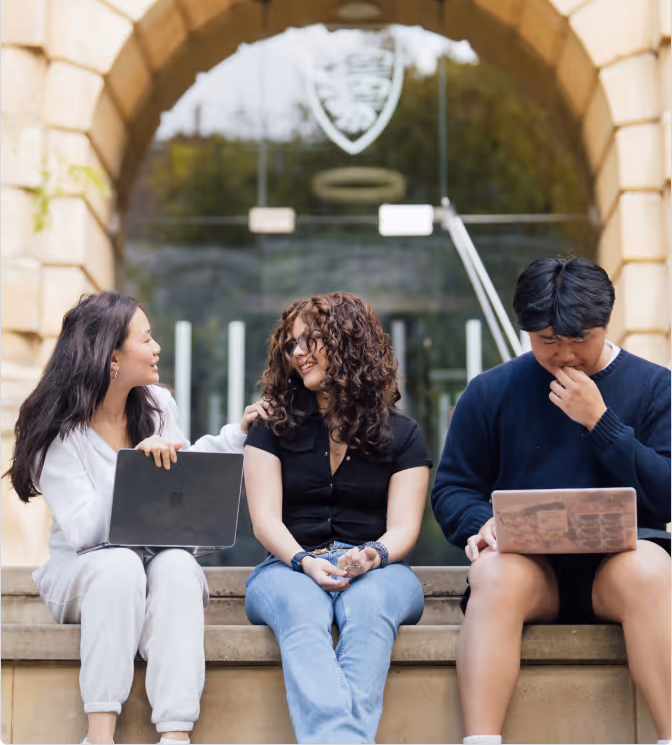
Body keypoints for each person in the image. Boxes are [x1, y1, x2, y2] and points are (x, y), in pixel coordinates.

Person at [431, 257, 671, 745]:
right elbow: (453, 487)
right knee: (493, 572)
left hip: (619, 572)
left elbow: (665, 494)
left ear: (606, 324)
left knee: (648, 568)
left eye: (580, 340)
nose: (565, 356)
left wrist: (600, 422)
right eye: (547, 342)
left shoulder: (654, 387)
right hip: (528, 574)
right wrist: (482, 523)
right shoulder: (490, 392)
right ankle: (481, 740)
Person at [6, 292, 251, 745]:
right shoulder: (59, 429)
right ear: (112, 357)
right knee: (118, 565)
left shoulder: (156, 405)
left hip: (152, 558)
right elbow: (83, 531)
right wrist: (134, 471)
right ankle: (100, 736)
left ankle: (175, 734)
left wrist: (239, 434)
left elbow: (182, 475)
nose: (157, 347)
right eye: (147, 337)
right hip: (82, 572)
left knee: (178, 565)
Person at [240, 291, 432, 744]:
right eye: (292, 344)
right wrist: (304, 562)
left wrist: (373, 555)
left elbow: (404, 528)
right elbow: (265, 521)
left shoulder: (401, 433)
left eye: (312, 340)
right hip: (287, 567)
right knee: (301, 607)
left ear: (349, 342)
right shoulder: (271, 426)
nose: (299, 353)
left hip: (379, 570)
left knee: (370, 606)